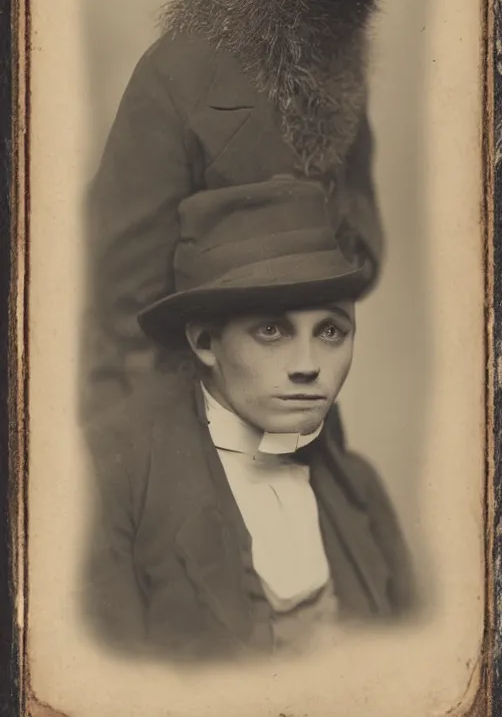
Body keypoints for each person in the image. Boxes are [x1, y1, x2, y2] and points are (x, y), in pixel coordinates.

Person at [83, 176, 415, 663]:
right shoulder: (109, 478)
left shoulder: (359, 487)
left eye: (330, 330)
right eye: (271, 329)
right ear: (205, 343)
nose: (307, 364)